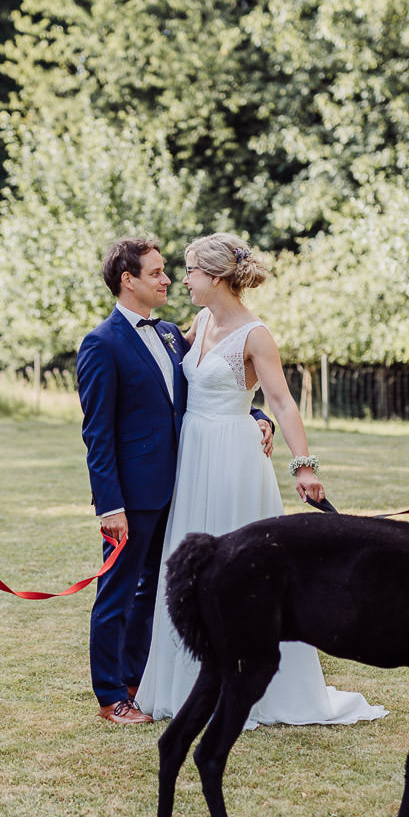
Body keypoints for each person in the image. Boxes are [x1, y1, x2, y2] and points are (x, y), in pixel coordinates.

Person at [134, 233, 387, 728]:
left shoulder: (256, 335)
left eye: (190, 272)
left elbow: (283, 402)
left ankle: (253, 687)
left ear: (216, 277)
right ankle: (187, 682)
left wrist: (304, 464)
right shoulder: (201, 320)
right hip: (194, 454)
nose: (183, 280)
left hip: (232, 459)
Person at [77, 237, 273, 726]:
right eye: (157, 272)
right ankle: (110, 696)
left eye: (169, 271)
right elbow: (96, 432)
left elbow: (213, 382)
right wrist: (109, 504)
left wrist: (256, 415)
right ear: (129, 280)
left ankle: (138, 679)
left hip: (182, 484)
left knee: (156, 589)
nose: (168, 280)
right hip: (132, 494)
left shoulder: (170, 333)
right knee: (117, 590)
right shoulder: (102, 344)